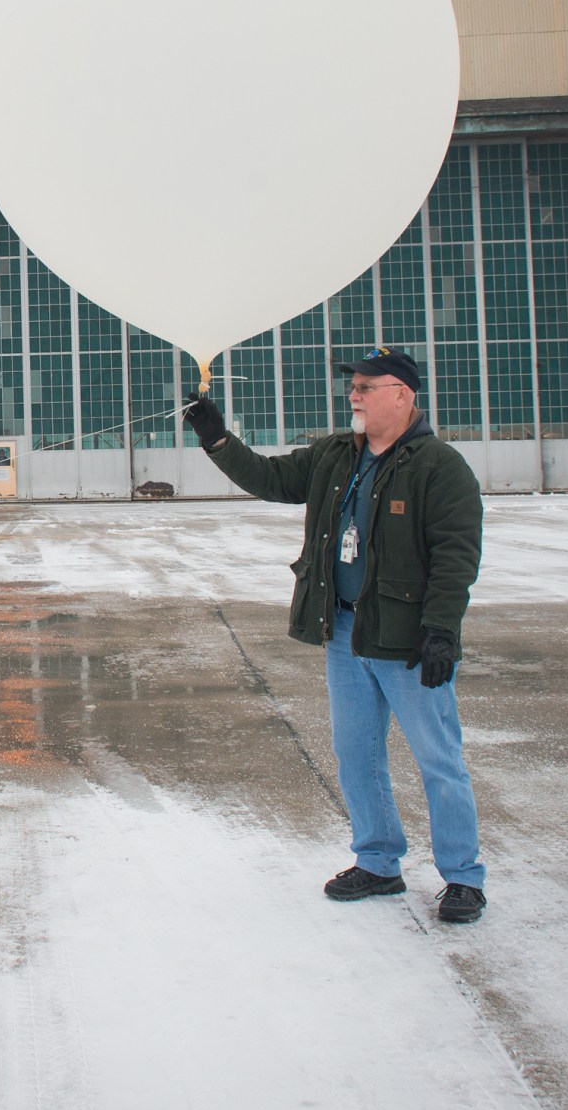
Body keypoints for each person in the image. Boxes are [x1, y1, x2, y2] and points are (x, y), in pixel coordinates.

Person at [184, 348, 488, 924]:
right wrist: (218, 440)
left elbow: (456, 557)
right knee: (357, 755)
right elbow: (272, 479)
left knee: (438, 759)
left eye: (367, 386)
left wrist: (441, 632)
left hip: (405, 641)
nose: (354, 394)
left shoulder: (439, 467)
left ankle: (463, 877)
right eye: (353, 385)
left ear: (402, 395)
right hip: (344, 629)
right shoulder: (334, 455)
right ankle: (378, 861)